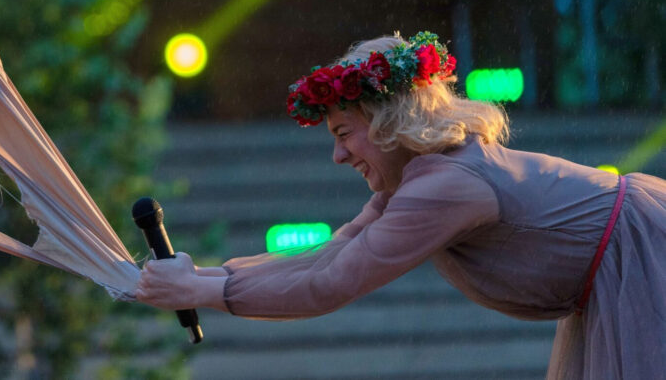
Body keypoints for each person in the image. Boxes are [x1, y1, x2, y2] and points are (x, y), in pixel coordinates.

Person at [135, 31, 666, 379]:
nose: (338, 155)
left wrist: (204, 293)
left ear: (388, 121)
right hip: (627, 274)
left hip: (646, 263)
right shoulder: (417, 181)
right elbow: (330, 253)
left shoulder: (444, 185)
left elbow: (332, 284)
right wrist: (205, 276)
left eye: (344, 133)